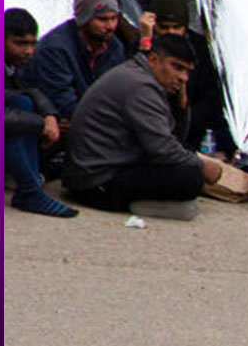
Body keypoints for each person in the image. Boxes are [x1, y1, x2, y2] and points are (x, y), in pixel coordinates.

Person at [61, 32, 226, 219]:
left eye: (187, 72)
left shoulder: (143, 78)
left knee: (185, 158)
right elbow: (163, 149)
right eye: (176, 67)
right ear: (154, 59)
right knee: (191, 176)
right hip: (95, 183)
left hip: (107, 167)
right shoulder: (141, 86)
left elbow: (174, 139)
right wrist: (203, 167)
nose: (183, 78)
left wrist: (181, 105)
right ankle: (142, 205)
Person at [136, 0, 235, 158]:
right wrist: (146, 41)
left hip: (192, 125)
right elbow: (135, 80)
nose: (171, 33)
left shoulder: (200, 49)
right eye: (164, 27)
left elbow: (212, 98)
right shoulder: (144, 46)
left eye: (176, 27)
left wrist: (186, 118)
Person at [4, 7, 78, 218]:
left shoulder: (13, 67)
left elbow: (26, 93)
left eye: (32, 44)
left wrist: (49, 116)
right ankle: (30, 191)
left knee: (24, 103)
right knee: (20, 114)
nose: (28, 51)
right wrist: (40, 124)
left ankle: (32, 183)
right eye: (20, 43)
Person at [30, 0, 129, 126]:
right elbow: (62, 100)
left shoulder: (114, 46)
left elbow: (118, 92)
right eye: (102, 19)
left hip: (98, 121)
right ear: (84, 19)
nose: (110, 26)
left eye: (114, 19)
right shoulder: (55, 49)